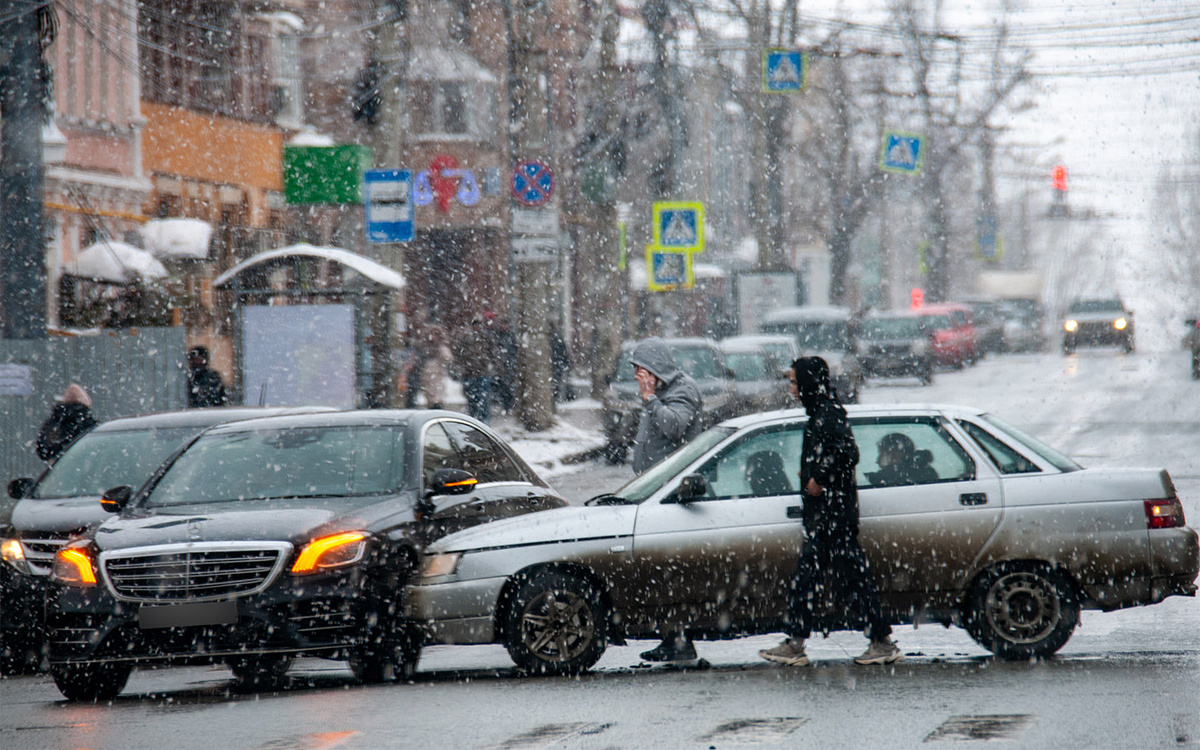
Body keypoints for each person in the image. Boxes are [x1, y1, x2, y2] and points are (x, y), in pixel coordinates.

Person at [758, 356, 902, 667]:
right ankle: (799, 643)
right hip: (827, 517)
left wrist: (819, 479)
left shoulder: (828, 414)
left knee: (840, 579)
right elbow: (834, 452)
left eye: (796, 383)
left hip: (833, 517)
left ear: (809, 384)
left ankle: (877, 642)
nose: (793, 390)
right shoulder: (821, 413)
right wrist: (810, 474)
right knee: (817, 579)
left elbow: (848, 452)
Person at [628, 338, 704, 663]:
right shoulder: (659, 393)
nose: (636, 377)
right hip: (653, 491)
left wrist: (650, 399)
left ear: (655, 369)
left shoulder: (681, 390)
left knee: (668, 571)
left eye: (640, 369)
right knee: (658, 571)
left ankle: (680, 640)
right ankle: (672, 638)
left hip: (671, 493)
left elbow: (674, 427)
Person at [36, 383, 98, 462]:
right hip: (85, 467)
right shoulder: (89, 423)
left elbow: (43, 450)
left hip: (61, 469)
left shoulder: (55, 422)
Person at [454, 314, 496, 422]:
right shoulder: (466, 337)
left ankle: (483, 421)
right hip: (470, 373)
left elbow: (493, 353)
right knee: (472, 399)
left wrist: (489, 363)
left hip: (482, 372)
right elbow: (459, 353)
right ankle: (474, 420)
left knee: (483, 399)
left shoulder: (486, 337)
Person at [866, 432, 939, 487]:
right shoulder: (927, 473)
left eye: (882, 454)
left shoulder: (890, 477)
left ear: (896, 455)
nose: (877, 460)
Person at [420, 324, 453, 410]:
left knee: (436, 400)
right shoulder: (425, 346)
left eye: (436, 334)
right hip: (426, 376)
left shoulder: (441, 346)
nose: (433, 337)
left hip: (437, 375)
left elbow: (448, 358)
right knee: (430, 398)